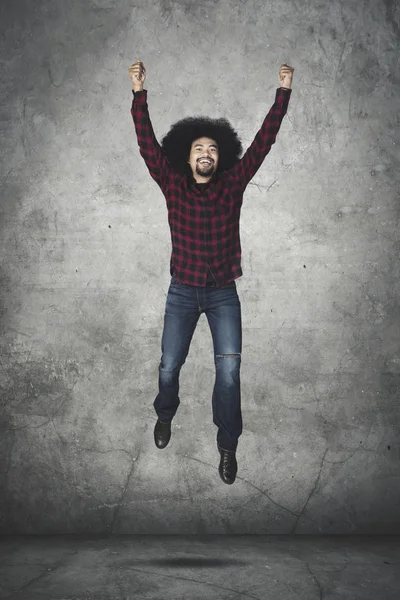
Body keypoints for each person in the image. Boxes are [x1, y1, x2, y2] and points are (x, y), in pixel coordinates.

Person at [128, 59, 294, 484]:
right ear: (187, 156)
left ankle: (227, 446)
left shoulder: (233, 184)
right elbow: (147, 144)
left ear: (221, 158)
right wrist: (138, 94)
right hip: (182, 291)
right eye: (199, 149)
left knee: (230, 371)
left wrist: (283, 94)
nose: (206, 154)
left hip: (223, 293)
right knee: (168, 366)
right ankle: (165, 415)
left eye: (213, 150)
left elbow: (264, 142)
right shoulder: (172, 184)